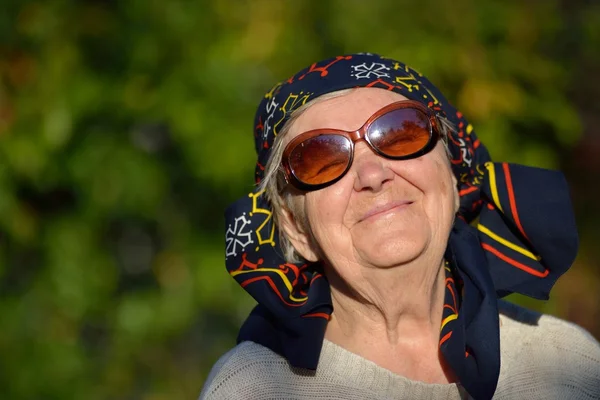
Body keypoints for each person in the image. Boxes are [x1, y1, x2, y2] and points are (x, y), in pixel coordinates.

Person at [200, 53, 600, 399]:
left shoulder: (568, 366)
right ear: (295, 228)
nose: (372, 174)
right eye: (321, 158)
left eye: (400, 134)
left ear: (453, 175)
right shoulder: (254, 389)